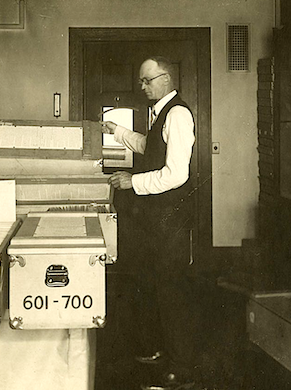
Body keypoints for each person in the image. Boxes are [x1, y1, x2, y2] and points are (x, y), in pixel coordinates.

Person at [100, 56, 201, 390]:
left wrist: (133, 182)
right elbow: (149, 147)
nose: (142, 87)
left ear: (166, 78)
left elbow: (176, 174)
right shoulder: (161, 114)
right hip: (157, 222)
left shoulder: (179, 115)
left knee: (172, 292)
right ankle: (163, 352)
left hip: (170, 221)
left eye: (147, 80)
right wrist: (119, 132)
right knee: (158, 288)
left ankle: (182, 368)